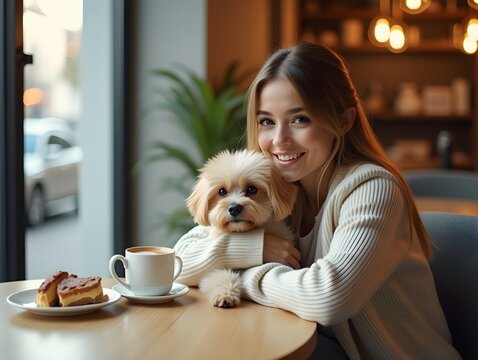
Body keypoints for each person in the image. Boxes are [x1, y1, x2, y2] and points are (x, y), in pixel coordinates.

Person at [173, 43, 460, 359]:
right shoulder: (273, 188)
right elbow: (177, 262)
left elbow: (329, 297)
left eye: (299, 119)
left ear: (343, 121)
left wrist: (242, 276)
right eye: (267, 121)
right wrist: (252, 249)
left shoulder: (373, 188)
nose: (279, 139)